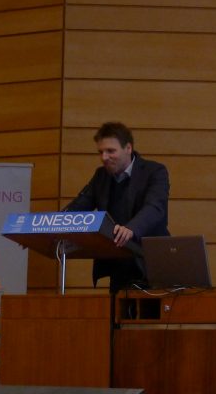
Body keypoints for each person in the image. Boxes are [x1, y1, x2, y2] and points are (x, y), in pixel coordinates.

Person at [64, 122, 170, 291]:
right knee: (117, 307)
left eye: (110, 151)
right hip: (118, 264)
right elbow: (78, 207)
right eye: (101, 152)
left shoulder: (154, 172)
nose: (104, 157)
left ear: (128, 148)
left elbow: (154, 208)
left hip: (150, 263)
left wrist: (131, 228)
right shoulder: (101, 176)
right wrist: (46, 230)